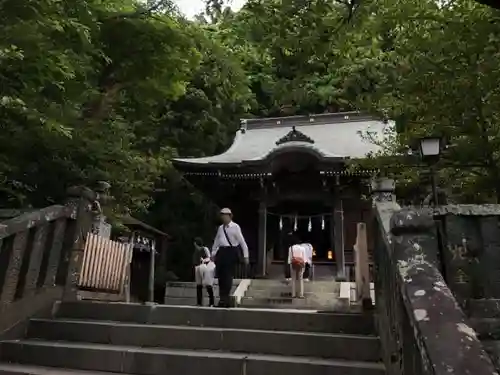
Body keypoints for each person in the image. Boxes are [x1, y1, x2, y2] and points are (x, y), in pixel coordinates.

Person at [212, 207, 249, 307]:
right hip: (222, 252)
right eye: (222, 216)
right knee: (221, 276)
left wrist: (246, 256)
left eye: (225, 215)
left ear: (229, 216)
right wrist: (213, 253)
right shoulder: (220, 228)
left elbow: (242, 242)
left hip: (231, 251)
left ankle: (226, 298)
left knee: (228, 276)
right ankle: (222, 298)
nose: (223, 218)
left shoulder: (235, 227)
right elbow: (216, 242)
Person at [193, 237, 215, 306]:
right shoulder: (196, 251)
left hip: (205, 267)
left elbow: (209, 257)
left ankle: (211, 302)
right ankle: (199, 302)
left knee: (208, 284)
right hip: (198, 267)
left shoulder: (205, 249)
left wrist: (203, 260)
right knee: (199, 285)